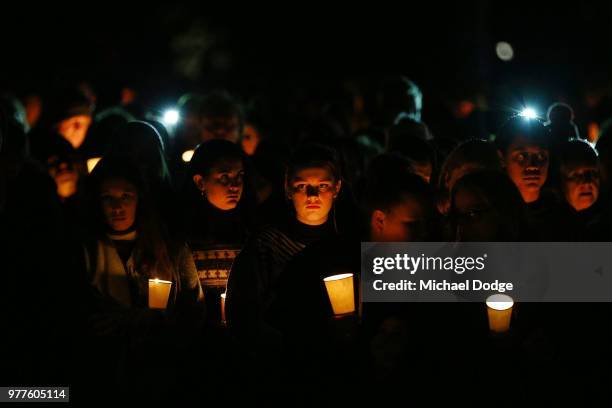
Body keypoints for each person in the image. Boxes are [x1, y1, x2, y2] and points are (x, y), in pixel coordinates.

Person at [225, 143, 342, 351]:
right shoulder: (266, 245)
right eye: (302, 186)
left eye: (322, 185)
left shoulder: (348, 243)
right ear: (288, 189)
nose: (312, 195)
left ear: (337, 188)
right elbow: (243, 312)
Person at [182, 139, 255, 323]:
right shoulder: (182, 237)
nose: (235, 185)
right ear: (200, 182)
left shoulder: (254, 232)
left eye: (239, 176)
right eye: (224, 177)